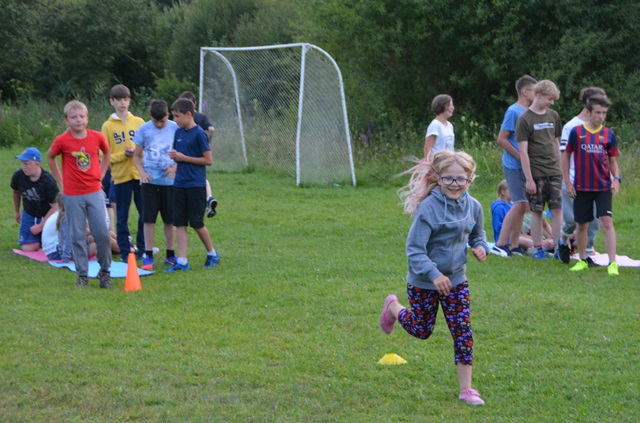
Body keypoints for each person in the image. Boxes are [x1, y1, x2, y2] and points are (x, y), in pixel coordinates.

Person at [380, 150, 489, 406]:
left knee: (462, 331)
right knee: (421, 330)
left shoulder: (473, 206)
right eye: (448, 178)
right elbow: (414, 250)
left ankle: (466, 389)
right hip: (423, 282)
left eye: (461, 179)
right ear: (438, 178)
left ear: (470, 179)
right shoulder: (428, 209)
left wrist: (480, 247)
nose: (454, 184)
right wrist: (434, 274)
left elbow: (478, 234)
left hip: (456, 281)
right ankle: (393, 308)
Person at [47, 100, 112, 288]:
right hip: (72, 194)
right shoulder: (62, 140)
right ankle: (82, 275)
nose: (78, 120)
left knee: (102, 233)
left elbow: (107, 153)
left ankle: (104, 272)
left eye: (82, 116)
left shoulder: (96, 137)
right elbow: (50, 156)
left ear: (87, 118)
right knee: (77, 235)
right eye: (74, 117)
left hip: (94, 192)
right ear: (66, 120)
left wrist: (101, 173)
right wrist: (60, 180)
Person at [563, 95, 621, 275]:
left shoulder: (608, 134)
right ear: (588, 112)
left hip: (603, 187)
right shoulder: (576, 132)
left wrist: (616, 179)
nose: (601, 116)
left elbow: (612, 160)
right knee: (582, 224)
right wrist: (567, 182)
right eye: (597, 112)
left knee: (606, 221)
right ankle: (582, 260)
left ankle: (612, 263)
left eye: (604, 113)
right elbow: (566, 156)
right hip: (581, 187)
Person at [164, 98, 220, 272]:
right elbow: (180, 156)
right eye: (173, 116)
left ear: (188, 114)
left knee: (196, 223)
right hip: (179, 184)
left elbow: (208, 160)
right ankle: (182, 262)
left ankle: (212, 254)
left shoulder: (199, 134)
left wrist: (183, 158)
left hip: (195, 185)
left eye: (177, 116)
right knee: (179, 223)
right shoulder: (178, 133)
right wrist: (175, 160)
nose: (175, 120)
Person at [556, 87, 606, 265]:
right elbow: (564, 155)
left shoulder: (600, 127)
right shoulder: (572, 126)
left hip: (595, 182)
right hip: (573, 180)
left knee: (594, 220)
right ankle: (563, 240)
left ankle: (587, 253)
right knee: (572, 220)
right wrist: (567, 181)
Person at [515, 80, 563, 260]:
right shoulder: (524, 119)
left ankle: (558, 247)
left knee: (557, 209)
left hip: (555, 171)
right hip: (536, 173)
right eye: (549, 99)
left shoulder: (553, 116)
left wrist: (562, 171)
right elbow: (523, 151)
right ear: (539, 95)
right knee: (537, 211)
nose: (551, 103)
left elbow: (557, 144)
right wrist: (529, 179)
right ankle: (538, 248)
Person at [492, 75, 537, 257]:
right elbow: (502, 139)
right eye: (535, 91)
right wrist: (519, 155)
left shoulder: (531, 112)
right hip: (513, 165)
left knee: (523, 205)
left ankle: (514, 244)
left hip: (527, 166)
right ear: (525, 92)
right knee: (518, 204)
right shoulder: (513, 111)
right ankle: (501, 244)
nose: (538, 95)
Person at [101, 84, 145, 262]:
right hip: (120, 177)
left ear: (129, 101)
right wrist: (123, 155)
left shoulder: (139, 122)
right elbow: (104, 156)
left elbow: (147, 148)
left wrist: (137, 152)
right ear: (112, 101)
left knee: (145, 213)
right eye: (118, 100)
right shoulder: (107, 126)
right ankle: (125, 251)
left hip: (140, 175)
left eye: (125, 99)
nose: (122, 103)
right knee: (122, 216)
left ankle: (143, 248)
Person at [133, 99, 178, 270]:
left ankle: (170, 254)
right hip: (150, 182)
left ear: (168, 115)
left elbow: (182, 153)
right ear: (150, 117)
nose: (159, 124)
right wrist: (142, 173)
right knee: (148, 219)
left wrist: (174, 168)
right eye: (155, 121)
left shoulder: (175, 128)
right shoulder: (144, 129)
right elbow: (136, 155)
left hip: (169, 182)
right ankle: (148, 254)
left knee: (170, 220)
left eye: (162, 121)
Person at [11, 147, 60, 251]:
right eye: (22, 163)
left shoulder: (48, 181)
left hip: (47, 215)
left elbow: (55, 207)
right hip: (29, 213)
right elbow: (16, 192)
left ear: (37, 164)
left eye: (26, 164)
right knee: (28, 248)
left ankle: (44, 237)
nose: (23, 167)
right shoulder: (18, 176)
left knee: (50, 245)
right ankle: (37, 239)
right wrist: (17, 211)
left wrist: (41, 226)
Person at [179, 91, 218, 218]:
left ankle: (198, 202)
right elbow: (211, 129)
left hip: (186, 153)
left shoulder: (182, 119)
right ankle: (209, 197)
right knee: (202, 177)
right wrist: (207, 144)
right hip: (200, 153)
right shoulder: (202, 117)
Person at [491, 180, 534, 251]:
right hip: (506, 238)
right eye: (512, 189)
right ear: (503, 192)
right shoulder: (499, 208)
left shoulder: (513, 205)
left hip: (516, 235)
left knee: (535, 240)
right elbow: (497, 226)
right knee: (531, 243)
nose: (515, 192)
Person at [423, 94, 455, 160]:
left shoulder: (450, 125)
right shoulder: (435, 125)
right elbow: (427, 149)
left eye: (452, 105)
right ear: (441, 106)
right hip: (437, 162)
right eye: (449, 105)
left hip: (449, 162)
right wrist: (430, 163)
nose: (452, 107)